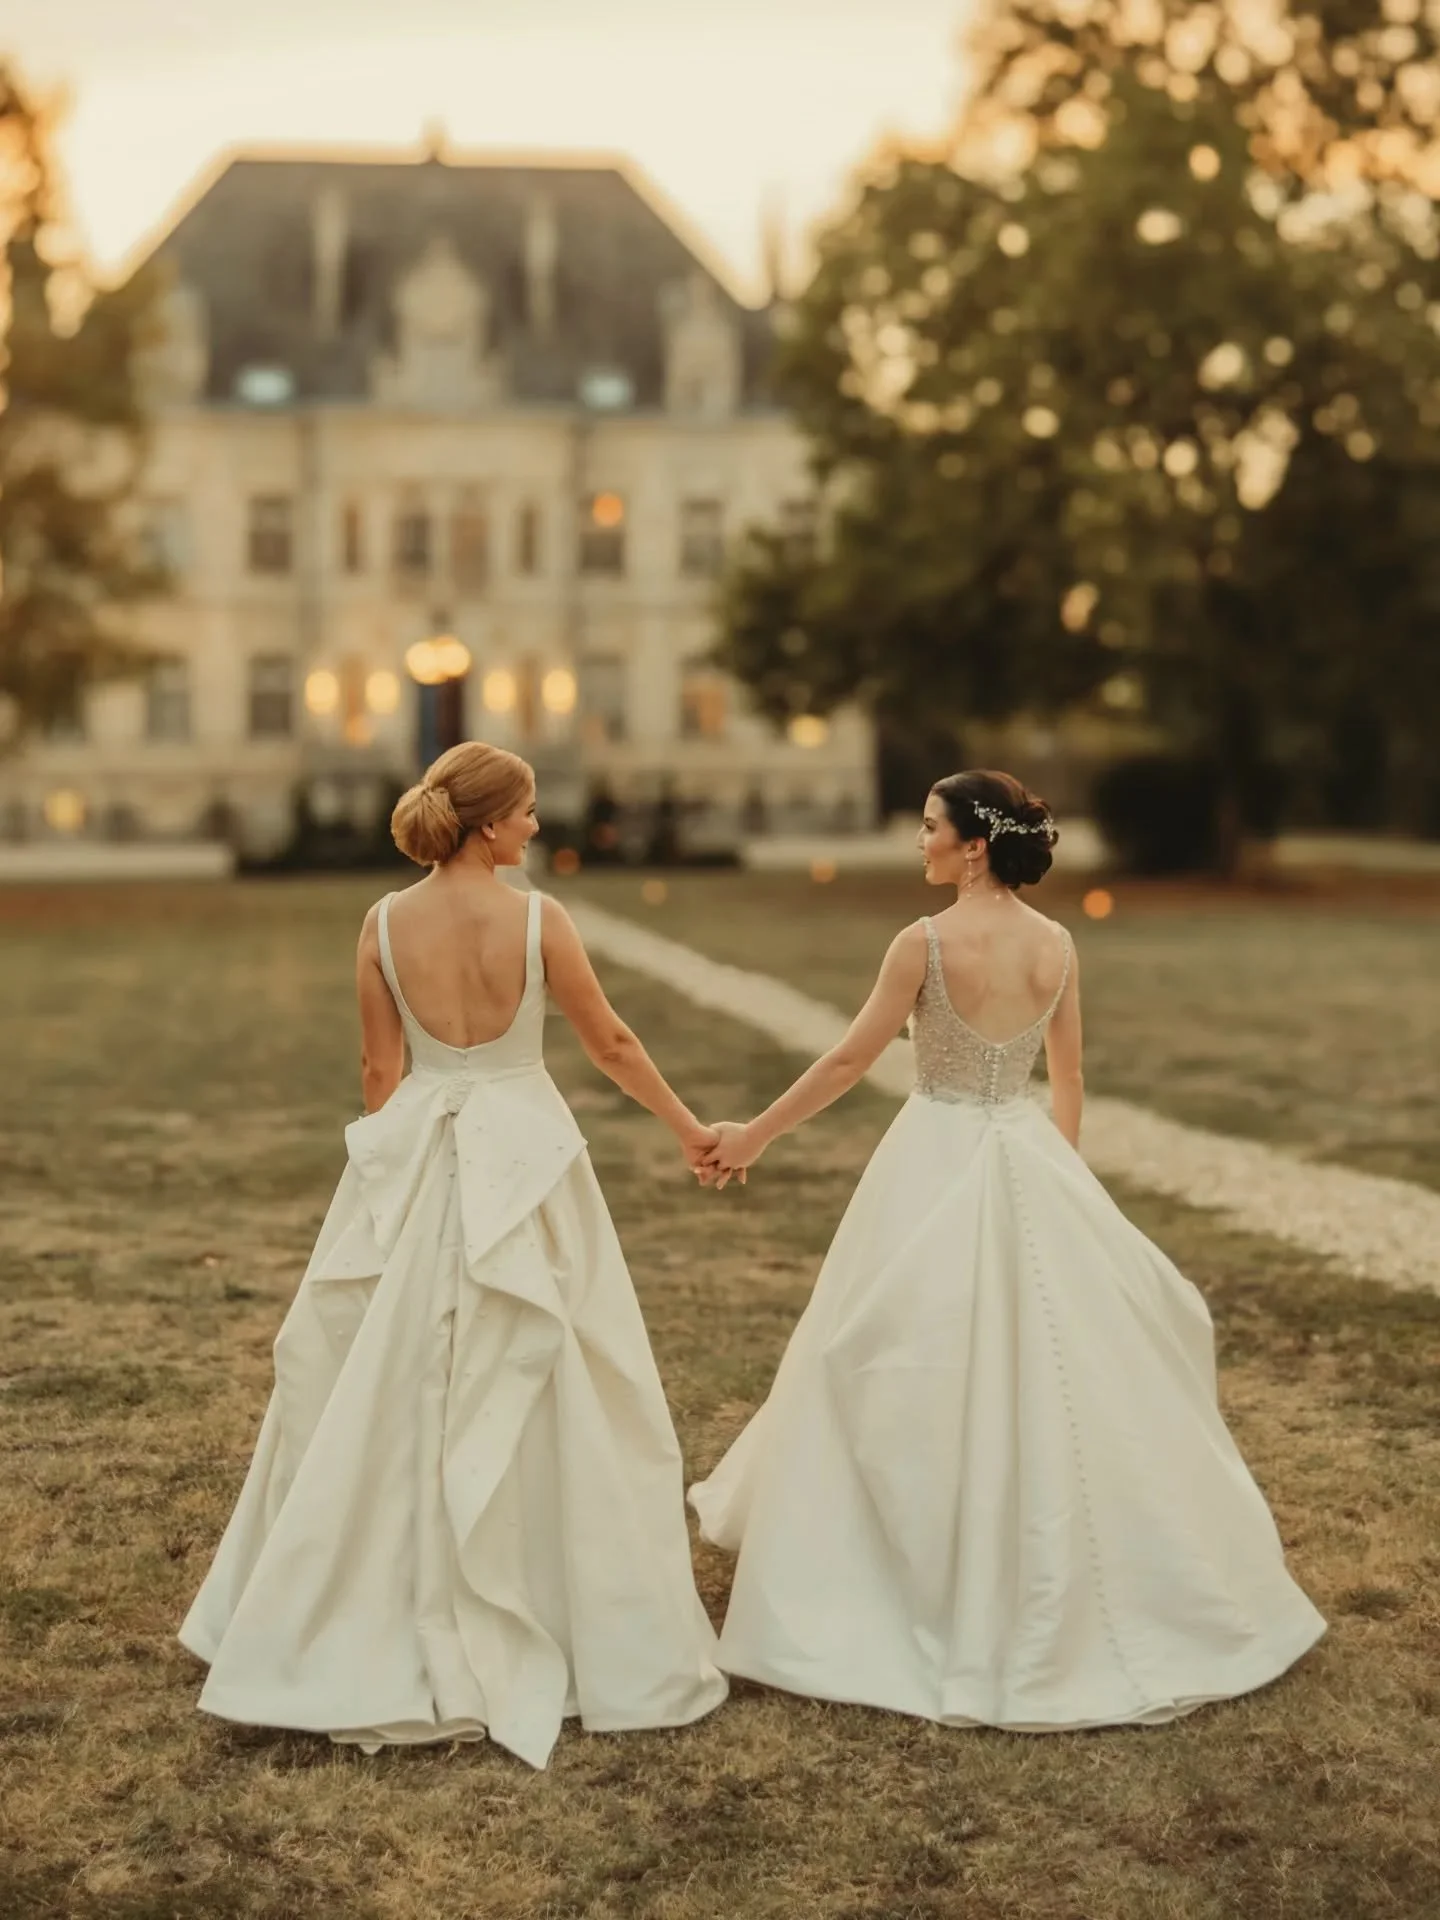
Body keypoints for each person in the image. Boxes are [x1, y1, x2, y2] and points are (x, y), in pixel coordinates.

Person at [692, 769, 1325, 1730]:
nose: (920, 842)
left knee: (890, 1346)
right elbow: (1066, 1074)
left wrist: (752, 1136)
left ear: (974, 845)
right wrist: (1057, 1182)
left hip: (938, 1150)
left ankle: (898, 1562)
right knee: (1032, 1361)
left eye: (929, 827)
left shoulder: (925, 943)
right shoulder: (1057, 945)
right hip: (1024, 1149)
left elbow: (851, 1059)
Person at [180, 742, 727, 1769]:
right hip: (525, 1149)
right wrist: (689, 1127)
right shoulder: (537, 919)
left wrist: (396, 1176)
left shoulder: (383, 922)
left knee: (397, 1368)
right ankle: (556, 1602)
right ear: (488, 825)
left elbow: (378, 1068)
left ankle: (374, 1590)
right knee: (546, 1357)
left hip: (424, 1140)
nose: (534, 828)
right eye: (523, 813)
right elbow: (607, 1042)